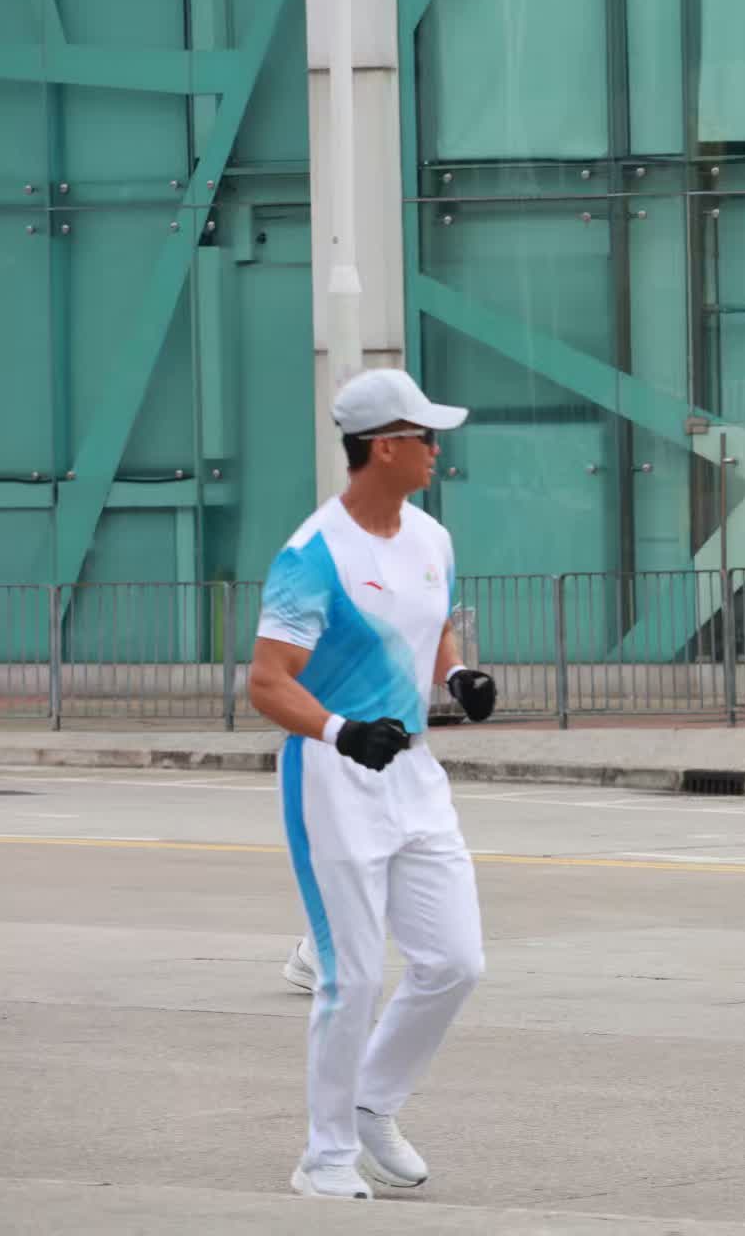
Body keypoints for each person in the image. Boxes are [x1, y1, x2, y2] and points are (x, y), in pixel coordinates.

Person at [247, 368, 498, 1199]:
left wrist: (460, 677)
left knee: (455, 961)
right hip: (332, 775)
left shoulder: (431, 538)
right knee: (350, 975)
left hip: (413, 771)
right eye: (425, 437)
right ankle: (322, 1160)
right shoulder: (311, 555)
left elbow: (426, 637)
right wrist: (342, 731)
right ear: (383, 446)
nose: (436, 450)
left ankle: (371, 1103)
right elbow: (268, 681)